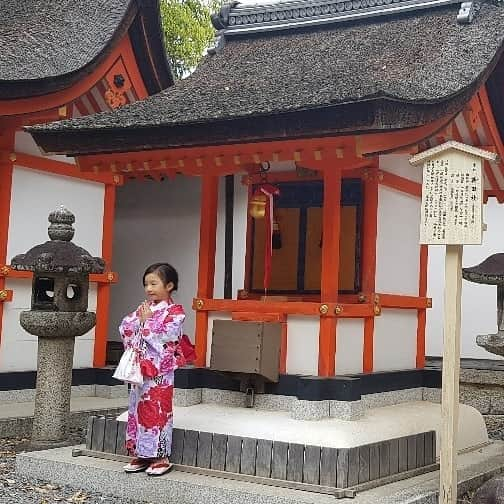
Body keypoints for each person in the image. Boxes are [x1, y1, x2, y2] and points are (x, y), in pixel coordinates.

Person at [119, 262, 186, 476]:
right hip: (140, 371)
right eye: (146, 284)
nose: (149, 288)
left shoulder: (175, 313)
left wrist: (145, 324)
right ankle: (140, 453)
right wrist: (141, 321)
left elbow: (169, 338)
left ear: (169, 286)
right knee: (136, 411)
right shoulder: (143, 309)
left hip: (160, 373)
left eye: (154, 283)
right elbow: (125, 328)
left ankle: (160, 456)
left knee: (158, 413)